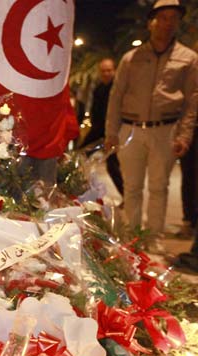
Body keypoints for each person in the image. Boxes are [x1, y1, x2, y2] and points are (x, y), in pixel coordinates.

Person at [105, 0, 198, 254]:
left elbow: (192, 101)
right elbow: (116, 95)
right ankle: (133, 237)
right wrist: (111, 132)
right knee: (131, 187)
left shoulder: (188, 59)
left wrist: (184, 135)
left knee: (159, 187)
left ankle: (154, 238)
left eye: (173, 18)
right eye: (163, 17)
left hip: (166, 129)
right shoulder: (131, 58)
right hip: (131, 128)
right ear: (151, 22)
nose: (168, 23)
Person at [81, 58, 124, 198]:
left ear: (115, 71)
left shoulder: (118, 89)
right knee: (81, 153)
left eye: (109, 70)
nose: (106, 73)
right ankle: (80, 187)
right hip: (99, 128)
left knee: (112, 166)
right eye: (103, 71)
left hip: (113, 131)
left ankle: (126, 195)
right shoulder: (99, 88)